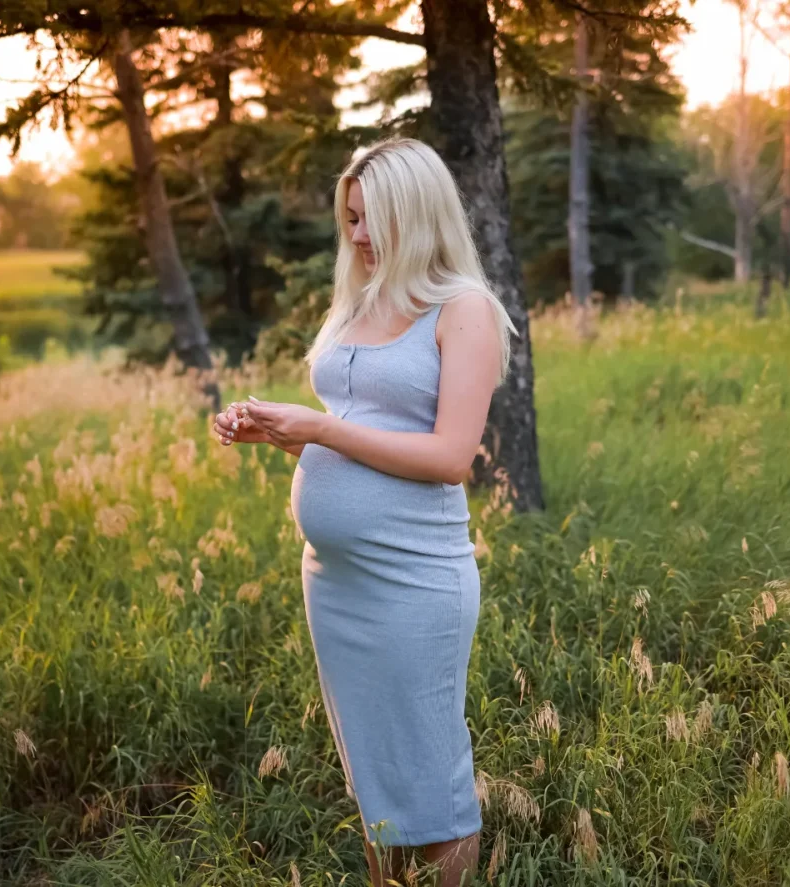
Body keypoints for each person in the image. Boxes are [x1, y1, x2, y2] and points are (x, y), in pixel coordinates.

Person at [212, 137, 515, 886]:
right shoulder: (364, 300)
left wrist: (319, 429)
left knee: (430, 773)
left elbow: (449, 456)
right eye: (349, 218)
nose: (358, 234)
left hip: (415, 578)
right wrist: (279, 431)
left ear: (418, 212)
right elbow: (360, 431)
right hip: (335, 581)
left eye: (373, 217)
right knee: (374, 769)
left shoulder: (464, 310)